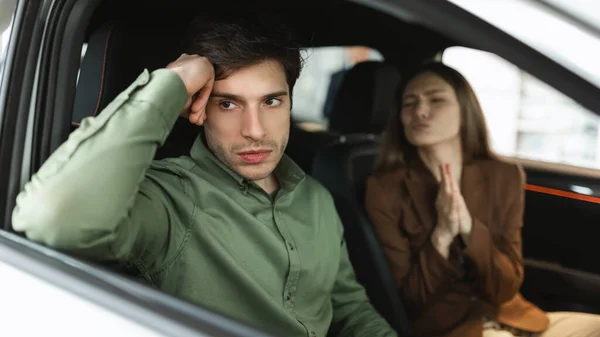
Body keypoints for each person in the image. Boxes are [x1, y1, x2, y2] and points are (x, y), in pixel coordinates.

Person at [12, 11, 396, 337]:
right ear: (199, 107)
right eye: (228, 104)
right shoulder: (169, 197)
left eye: (272, 101)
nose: (256, 129)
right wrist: (172, 84)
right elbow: (55, 218)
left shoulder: (316, 197)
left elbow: (347, 307)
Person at [364, 62, 600, 337]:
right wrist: (441, 235)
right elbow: (410, 299)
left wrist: (468, 229)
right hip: (451, 329)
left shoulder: (504, 175)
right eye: (409, 102)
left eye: (436, 99)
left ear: (465, 109)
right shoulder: (384, 189)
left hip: (514, 317)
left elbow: (507, 284)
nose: (420, 111)